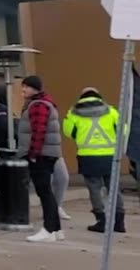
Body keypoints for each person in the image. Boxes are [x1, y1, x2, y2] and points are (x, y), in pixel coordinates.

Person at [63, 87, 126, 233]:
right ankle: (119, 222)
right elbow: (122, 129)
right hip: (110, 155)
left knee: (94, 189)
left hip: (88, 156)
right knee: (114, 188)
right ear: (99, 96)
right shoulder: (111, 111)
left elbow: (67, 131)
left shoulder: (74, 112)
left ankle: (101, 220)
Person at [18, 75, 64, 243]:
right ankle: (57, 229)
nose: (23, 90)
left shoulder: (38, 105)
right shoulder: (45, 102)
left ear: (34, 89)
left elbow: (39, 131)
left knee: (44, 191)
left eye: (26, 87)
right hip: (47, 154)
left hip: (41, 155)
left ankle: (48, 229)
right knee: (47, 191)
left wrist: (33, 154)